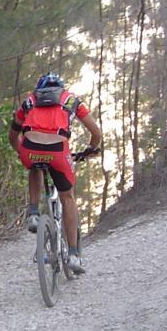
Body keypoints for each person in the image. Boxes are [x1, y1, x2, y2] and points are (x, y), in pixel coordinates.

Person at [8, 72, 102, 274]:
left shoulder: (29, 102)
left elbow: (13, 134)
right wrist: (90, 149)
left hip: (29, 148)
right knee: (67, 197)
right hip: (58, 151)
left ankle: (33, 213)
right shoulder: (72, 100)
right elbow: (96, 133)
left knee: (34, 165)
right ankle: (74, 255)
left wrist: (21, 152)